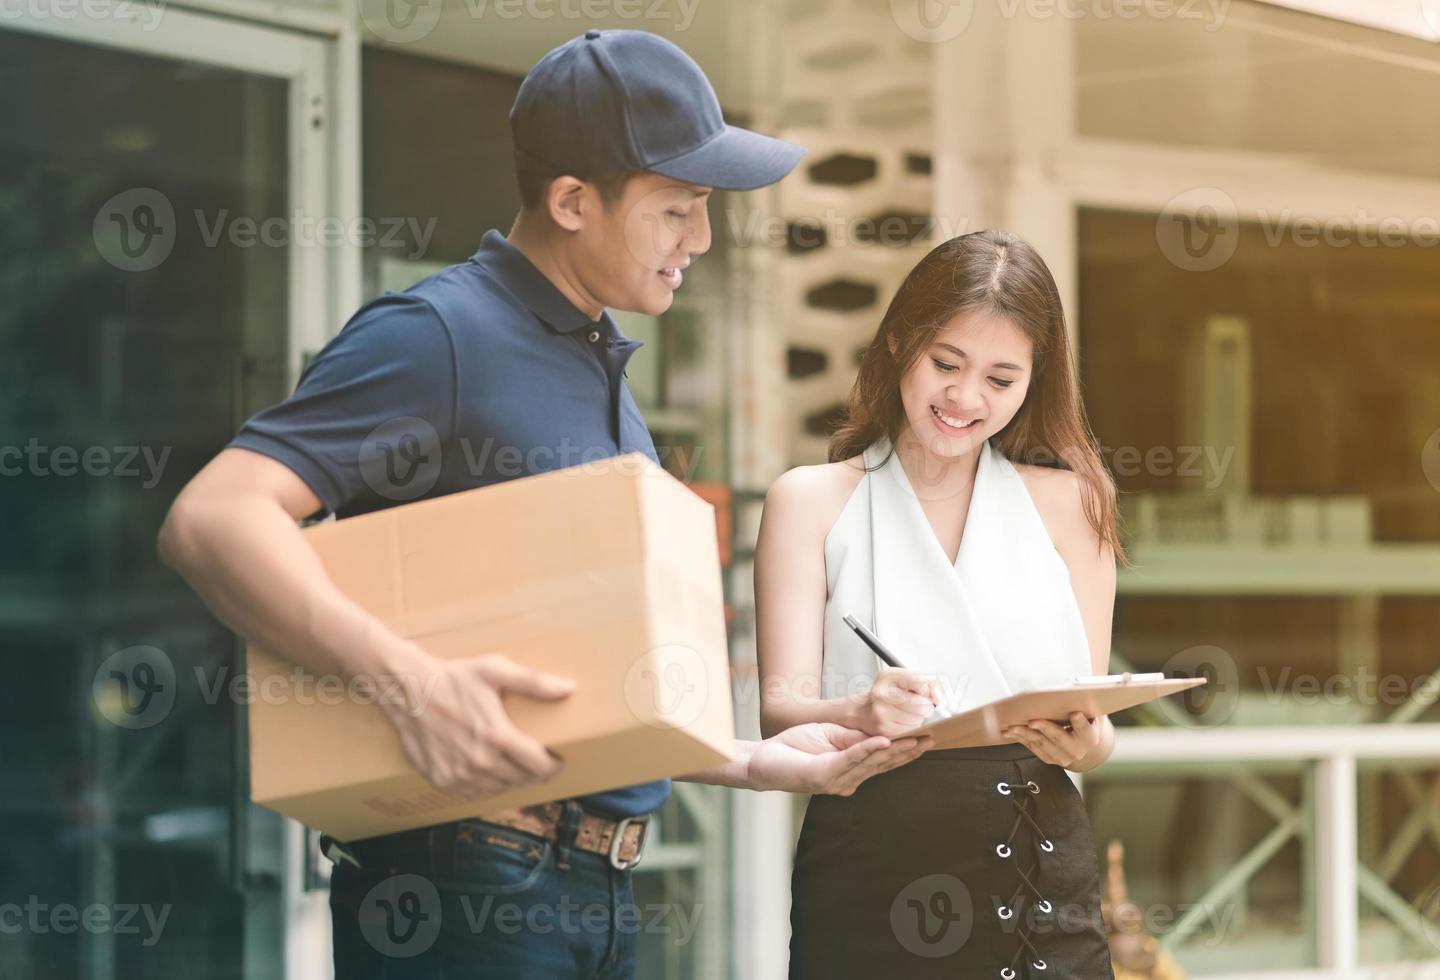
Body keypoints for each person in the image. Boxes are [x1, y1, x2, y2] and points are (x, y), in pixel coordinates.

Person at [157, 29, 929, 979]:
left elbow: (576, 691)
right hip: (467, 888)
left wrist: (755, 758)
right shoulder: (439, 334)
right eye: (678, 210)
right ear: (571, 201)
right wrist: (409, 682)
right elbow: (213, 518)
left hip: (594, 890)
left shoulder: (596, 363)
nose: (701, 239)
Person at [756, 230, 1125, 978]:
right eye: (945, 364)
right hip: (872, 870)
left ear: (1035, 379)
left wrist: (1089, 746)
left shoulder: (1074, 505)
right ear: (898, 341)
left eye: (1001, 377)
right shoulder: (811, 501)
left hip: (1041, 876)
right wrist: (860, 710)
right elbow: (779, 711)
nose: (964, 398)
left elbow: (1096, 722)